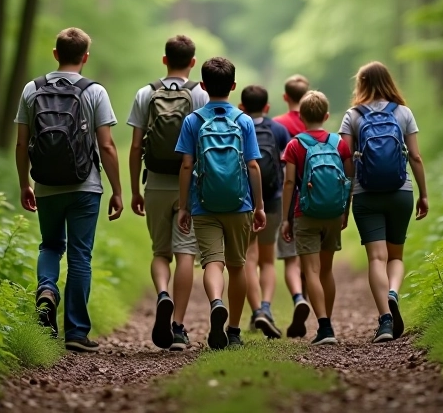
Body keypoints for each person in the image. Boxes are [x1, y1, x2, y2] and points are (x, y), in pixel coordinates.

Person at [15, 27, 124, 354]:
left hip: (46, 184)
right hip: (85, 186)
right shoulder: (95, 92)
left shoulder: (31, 89)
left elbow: (22, 143)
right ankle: (76, 332)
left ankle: (47, 290)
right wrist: (118, 190)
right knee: (80, 256)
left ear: (55, 53)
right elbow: (106, 146)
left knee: (50, 245)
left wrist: (25, 183)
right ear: (85, 56)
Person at [175, 57, 267, 350]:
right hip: (239, 204)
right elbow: (253, 166)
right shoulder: (244, 121)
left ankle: (216, 301)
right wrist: (260, 205)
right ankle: (235, 331)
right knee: (238, 266)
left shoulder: (193, 120)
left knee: (212, 262)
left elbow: (187, 166)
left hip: (204, 204)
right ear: (233, 86)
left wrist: (184, 206)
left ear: (202, 85)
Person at [127, 35, 209, 351]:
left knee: (160, 252)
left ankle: (162, 293)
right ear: (192, 62)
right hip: (190, 186)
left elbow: (136, 147)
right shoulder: (201, 94)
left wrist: (134, 190)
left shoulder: (145, 93)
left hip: (156, 184)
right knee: (185, 252)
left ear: (164, 60)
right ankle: (178, 326)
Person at [339, 61, 428, 343]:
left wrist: (347, 198)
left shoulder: (352, 116)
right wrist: (423, 194)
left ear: (361, 84)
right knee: (396, 256)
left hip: (366, 194)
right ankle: (393, 292)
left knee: (376, 257)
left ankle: (385, 322)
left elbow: (345, 161)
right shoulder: (403, 113)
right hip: (401, 191)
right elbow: (415, 157)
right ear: (389, 81)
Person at [280, 91, 353, 346]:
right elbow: (348, 179)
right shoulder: (339, 144)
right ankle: (328, 323)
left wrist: (286, 218)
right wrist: (345, 210)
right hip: (333, 212)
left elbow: (289, 182)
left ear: (300, 116)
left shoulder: (294, 145)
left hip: (306, 212)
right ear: (326, 115)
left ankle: (324, 326)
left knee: (310, 270)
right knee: (327, 269)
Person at [238, 85, 290, 339]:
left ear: (241, 106)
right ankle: (266, 309)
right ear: (267, 107)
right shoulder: (278, 130)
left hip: (244, 200)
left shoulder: (238, 125)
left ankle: (256, 309)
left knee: (249, 257)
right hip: (273, 199)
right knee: (268, 259)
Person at [272, 74, 312, 337]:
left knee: (290, 258)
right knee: (310, 257)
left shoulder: (277, 124)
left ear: (286, 97)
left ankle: (298, 297)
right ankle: (310, 303)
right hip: (316, 197)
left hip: (287, 197)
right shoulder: (316, 124)